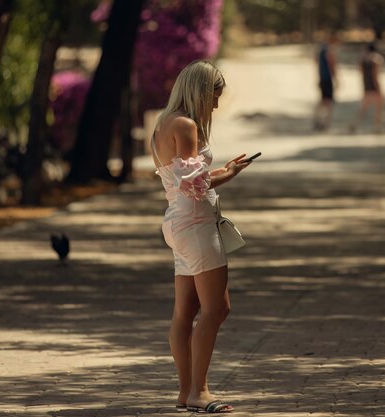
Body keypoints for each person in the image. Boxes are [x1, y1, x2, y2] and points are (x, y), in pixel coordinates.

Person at [150, 60, 252, 414]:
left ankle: (185, 392)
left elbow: (185, 179)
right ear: (200, 91)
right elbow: (195, 186)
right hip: (195, 223)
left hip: (178, 223)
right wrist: (228, 176)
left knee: (186, 310)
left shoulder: (164, 123)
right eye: (215, 96)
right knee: (217, 308)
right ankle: (200, 391)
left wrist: (224, 170)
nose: (216, 105)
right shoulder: (187, 124)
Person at [349, 42, 385, 134]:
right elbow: (375, 75)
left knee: (363, 109)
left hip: (366, 87)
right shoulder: (377, 60)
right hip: (374, 87)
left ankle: (354, 124)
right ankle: (378, 128)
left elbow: (361, 72)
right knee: (378, 108)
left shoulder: (363, 60)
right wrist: (379, 89)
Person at [314, 33, 338, 131]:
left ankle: (318, 120)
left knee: (323, 101)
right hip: (327, 79)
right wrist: (336, 79)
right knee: (328, 102)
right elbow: (332, 65)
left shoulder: (320, 51)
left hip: (322, 78)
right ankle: (326, 123)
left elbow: (316, 62)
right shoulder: (329, 51)